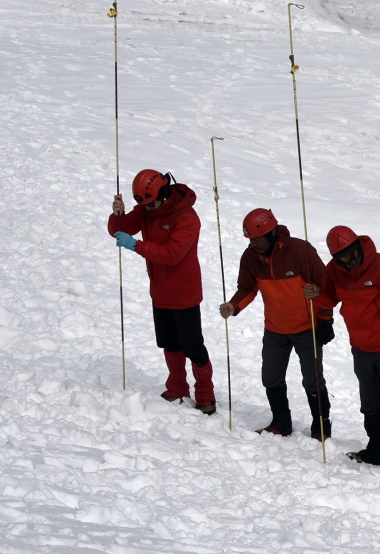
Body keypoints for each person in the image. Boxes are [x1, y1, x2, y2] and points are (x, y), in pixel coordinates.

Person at [304, 226, 380, 471]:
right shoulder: (335, 271)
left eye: (354, 253)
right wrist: (317, 294)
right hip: (360, 347)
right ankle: (377, 451)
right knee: (370, 402)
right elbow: (329, 299)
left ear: (359, 245)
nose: (353, 260)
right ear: (335, 259)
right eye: (345, 258)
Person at [109, 168, 215, 414]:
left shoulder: (187, 217)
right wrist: (118, 216)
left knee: (193, 346)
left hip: (185, 293)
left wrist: (135, 245)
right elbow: (120, 229)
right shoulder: (148, 209)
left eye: (150, 203)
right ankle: (177, 387)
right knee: (169, 342)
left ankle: (206, 395)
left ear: (164, 194)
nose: (147, 208)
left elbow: (172, 254)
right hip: (160, 290)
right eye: (143, 204)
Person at [220, 207, 333, 438]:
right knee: (270, 377)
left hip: (306, 329)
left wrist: (325, 320)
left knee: (313, 380)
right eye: (249, 239)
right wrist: (234, 305)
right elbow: (248, 287)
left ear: (270, 233)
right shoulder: (250, 257)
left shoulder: (300, 250)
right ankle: (281, 423)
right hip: (275, 330)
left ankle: (321, 426)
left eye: (255, 239)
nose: (252, 244)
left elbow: (326, 285)